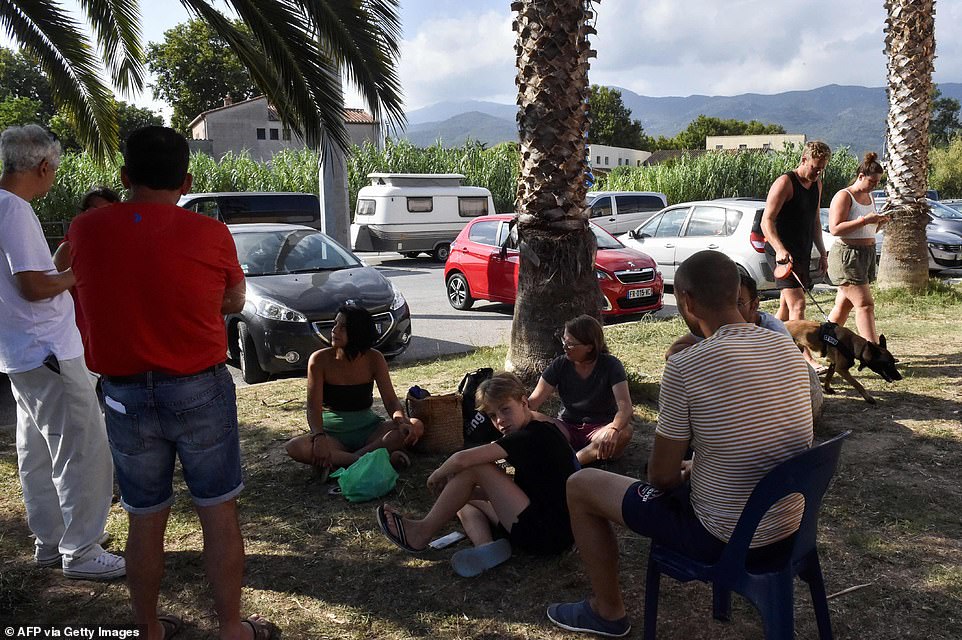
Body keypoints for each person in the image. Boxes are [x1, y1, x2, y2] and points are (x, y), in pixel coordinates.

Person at [64, 126, 274, 640]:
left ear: (123, 176)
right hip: (199, 386)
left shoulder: (85, 230)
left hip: (123, 393)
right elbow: (234, 301)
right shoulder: (211, 234)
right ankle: (230, 627)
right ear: (186, 181)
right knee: (218, 510)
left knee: (145, 516)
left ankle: (149, 628)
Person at [546, 250, 813, 637]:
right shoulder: (786, 349)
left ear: (686, 302)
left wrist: (687, 472)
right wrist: (702, 468)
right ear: (736, 292)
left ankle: (607, 611)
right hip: (790, 528)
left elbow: (662, 477)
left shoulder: (686, 366)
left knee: (580, 486)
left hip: (722, 538)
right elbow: (763, 438)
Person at [0, 125, 123, 581]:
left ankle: (50, 541)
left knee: (35, 450)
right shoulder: (15, 210)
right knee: (82, 451)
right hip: (49, 349)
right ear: (43, 166)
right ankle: (83, 549)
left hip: (20, 352)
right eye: (54, 170)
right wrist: (78, 275)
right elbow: (35, 285)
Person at [376, 372, 579, 578]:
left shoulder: (532, 435)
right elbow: (527, 489)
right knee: (460, 496)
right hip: (548, 527)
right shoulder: (538, 430)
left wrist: (436, 475)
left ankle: (421, 533)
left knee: (476, 467)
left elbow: (462, 460)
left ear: (524, 402)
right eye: (492, 415)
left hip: (548, 534)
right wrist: (466, 492)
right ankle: (486, 546)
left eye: (505, 410)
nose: (500, 420)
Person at [285, 304, 423, 474]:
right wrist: (319, 437)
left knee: (416, 425)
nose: (335, 330)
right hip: (332, 435)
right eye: (335, 324)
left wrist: (401, 421)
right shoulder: (319, 360)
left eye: (343, 327)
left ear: (358, 332)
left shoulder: (374, 358)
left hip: (369, 431)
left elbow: (391, 401)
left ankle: (342, 461)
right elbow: (313, 407)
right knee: (295, 447)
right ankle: (374, 460)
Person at [666, 273, 824, 421]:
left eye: (738, 304)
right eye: (727, 303)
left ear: (754, 305)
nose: (730, 310)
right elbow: (674, 351)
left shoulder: (775, 333)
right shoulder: (723, 326)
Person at [528, 315, 633, 466]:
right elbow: (533, 401)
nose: (564, 348)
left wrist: (614, 429)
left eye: (570, 344)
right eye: (564, 341)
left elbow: (625, 407)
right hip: (567, 426)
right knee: (530, 418)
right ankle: (579, 461)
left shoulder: (611, 365)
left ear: (589, 347)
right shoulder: (560, 364)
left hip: (601, 427)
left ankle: (571, 464)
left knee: (625, 431)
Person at [761, 140, 832, 322]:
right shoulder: (785, 183)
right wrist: (779, 249)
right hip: (781, 253)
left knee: (785, 309)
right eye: (815, 167)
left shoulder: (817, 184)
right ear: (803, 160)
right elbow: (766, 221)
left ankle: (768, 343)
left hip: (802, 251)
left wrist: (823, 253)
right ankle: (799, 350)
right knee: (798, 305)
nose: (818, 172)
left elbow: (815, 221)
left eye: (821, 169)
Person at [826, 152, 888, 344]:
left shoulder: (870, 197)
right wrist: (864, 220)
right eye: (872, 181)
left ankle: (825, 340)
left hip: (866, 255)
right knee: (865, 305)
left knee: (843, 307)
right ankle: (873, 351)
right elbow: (835, 228)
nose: (874, 186)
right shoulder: (844, 196)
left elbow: (869, 230)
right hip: (847, 256)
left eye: (877, 182)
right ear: (861, 176)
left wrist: (882, 221)